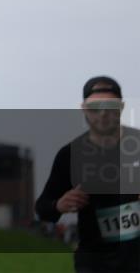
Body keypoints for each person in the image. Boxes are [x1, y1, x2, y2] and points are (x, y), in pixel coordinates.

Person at [35, 76, 140, 273]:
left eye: (110, 106)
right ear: (83, 108)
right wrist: (59, 204)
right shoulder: (70, 154)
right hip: (94, 263)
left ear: (122, 107)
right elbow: (42, 208)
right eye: (95, 107)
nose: (102, 114)